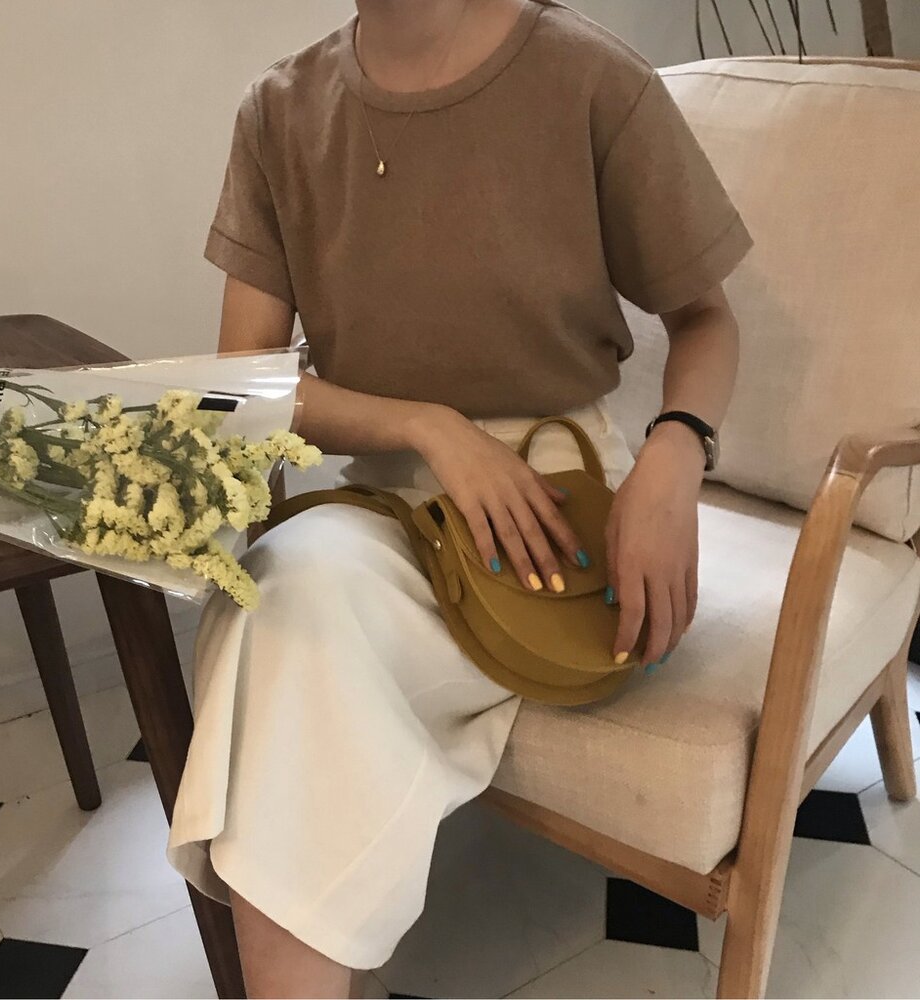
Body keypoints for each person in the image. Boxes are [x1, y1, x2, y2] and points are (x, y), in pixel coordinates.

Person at [168, 1, 753, 996]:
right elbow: (246, 387)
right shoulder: (280, 110)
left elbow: (707, 319)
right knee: (282, 595)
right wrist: (430, 426)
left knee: (287, 638)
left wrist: (675, 455)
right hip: (387, 514)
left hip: (565, 516)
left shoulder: (588, 79)